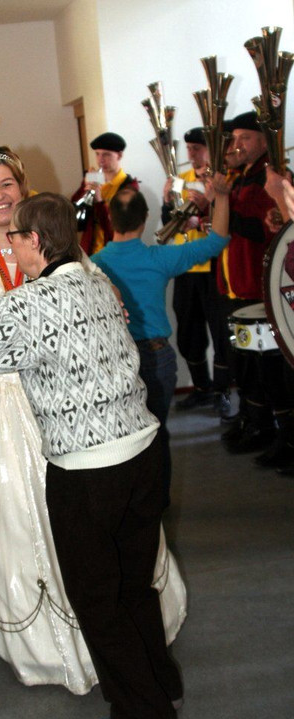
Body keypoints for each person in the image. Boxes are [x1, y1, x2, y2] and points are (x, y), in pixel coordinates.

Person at [0, 151, 186, 695]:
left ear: (23, 187)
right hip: (1, 408)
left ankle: (116, 647)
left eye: (6, 183)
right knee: (23, 520)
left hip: (67, 405)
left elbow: (104, 300)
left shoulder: (58, 247)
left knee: (89, 527)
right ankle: (55, 648)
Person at [92, 178, 230, 507]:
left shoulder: (93, 265)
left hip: (114, 361)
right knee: (157, 432)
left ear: (110, 218)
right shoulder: (158, 258)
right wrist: (222, 197)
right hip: (157, 360)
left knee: (122, 439)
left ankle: (130, 502)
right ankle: (157, 504)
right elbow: (217, 241)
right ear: (144, 219)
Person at [217, 112, 293, 463]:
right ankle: (256, 422)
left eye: (244, 138)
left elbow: (262, 232)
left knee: (272, 369)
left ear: (264, 140)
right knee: (247, 365)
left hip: (258, 286)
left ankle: (279, 432)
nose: (236, 145)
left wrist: (224, 208)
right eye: (234, 139)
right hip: (236, 284)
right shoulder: (244, 177)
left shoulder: (269, 177)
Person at [162, 128, 231, 416]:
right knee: (189, 331)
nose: (191, 154)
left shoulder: (219, 179)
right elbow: (167, 222)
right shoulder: (180, 179)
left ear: (209, 150)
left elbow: (225, 219)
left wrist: (204, 209)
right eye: (189, 148)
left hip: (213, 267)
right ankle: (202, 388)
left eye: (197, 148)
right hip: (185, 266)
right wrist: (167, 202)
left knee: (221, 330)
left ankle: (222, 392)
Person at [71, 132, 138, 255]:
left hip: (115, 254)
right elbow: (73, 215)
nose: (100, 160)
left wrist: (100, 202)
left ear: (119, 155)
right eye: (97, 154)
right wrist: (84, 189)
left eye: (106, 154)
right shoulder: (94, 180)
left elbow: (120, 228)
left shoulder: (129, 187)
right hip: (90, 252)